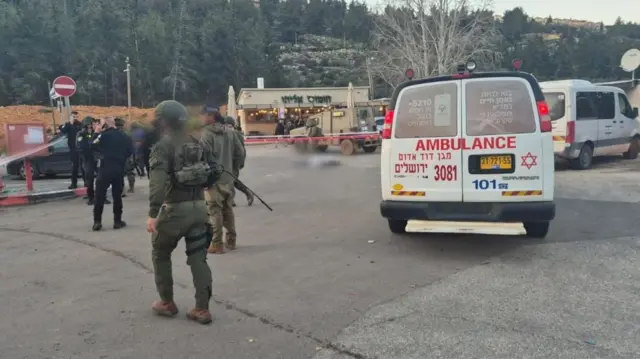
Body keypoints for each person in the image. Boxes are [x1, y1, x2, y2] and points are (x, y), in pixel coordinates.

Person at [147, 100, 213, 324]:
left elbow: (157, 183)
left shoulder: (162, 146)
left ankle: (167, 302)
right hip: (200, 208)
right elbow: (212, 172)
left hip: (175, 209)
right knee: (198, 257)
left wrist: (152, 214)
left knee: (160, 252)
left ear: (163, 121)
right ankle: (202, 309)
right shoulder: (197, 142)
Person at [200, 106, 244, 254]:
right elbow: (240, 153)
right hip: (228, 178)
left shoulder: (206, 133)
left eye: (203, 115)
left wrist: (203, 177)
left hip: (213, 179)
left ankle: (217, 243)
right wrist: (235, 170)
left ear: (211, 116)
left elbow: (203, 157)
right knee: (228, 209)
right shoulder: (231, 132)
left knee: (214, 211)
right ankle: (231, 241)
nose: (201, 118)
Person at [91, 117, 133, 231]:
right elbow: (130, 151)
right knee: (117, 196)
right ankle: (117, 221)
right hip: (118, 169)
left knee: (99, 196)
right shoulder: (124, 136)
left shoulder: (103, 135)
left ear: (105, 125)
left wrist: (96, 132)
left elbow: (92, 145)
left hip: (105, 168)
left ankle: (97, 221)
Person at [224, 116, 253, 207]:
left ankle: (230, 200)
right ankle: (247, 192)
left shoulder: (236, 134)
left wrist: (240, 162)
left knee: (230, 181)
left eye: (228, 125)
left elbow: (241, 150)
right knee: (233, 180)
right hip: (227, 161)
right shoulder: (226, 134)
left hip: (234, 161)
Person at [58, 111, 83, 189]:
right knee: (74, 167)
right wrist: (68, 123)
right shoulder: (68, 124)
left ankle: (86, 182)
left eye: (76, 116)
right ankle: (74, 183)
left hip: (80, 149)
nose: (74, 118)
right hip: (73, 149)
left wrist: (72, 125)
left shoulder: (80, 125)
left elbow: (77, 131)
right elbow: (63, 130)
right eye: (73, 116)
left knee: (83, 167)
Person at [77, 116, 98, 205]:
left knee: (102, 178)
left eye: (92, 125)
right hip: (87, 159)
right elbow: (80, 146)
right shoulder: (81, 134)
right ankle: (91, 198)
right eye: (89, 126)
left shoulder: (96, 133)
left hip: (97, 157)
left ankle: (102, 197)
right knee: (89, 179)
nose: (90, 127)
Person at [115, 118, 136, 195]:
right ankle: (131, 187)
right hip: (127, 156)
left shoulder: (114, 134)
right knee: (130, 172)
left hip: (118, 156)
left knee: (119, 173)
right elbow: (132, 146)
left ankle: (121, 190)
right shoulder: (127, 134)